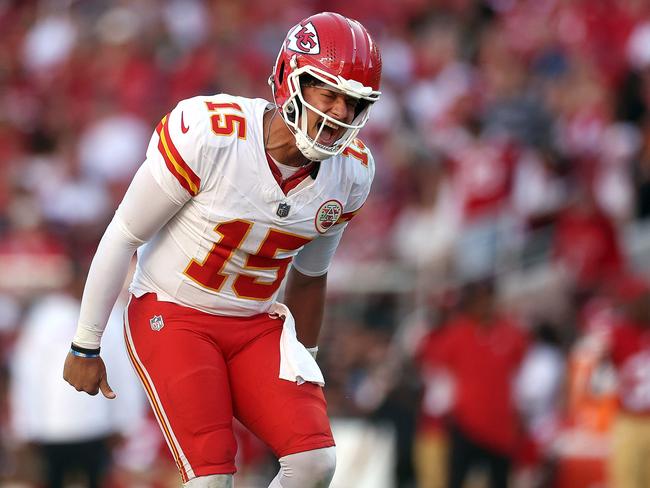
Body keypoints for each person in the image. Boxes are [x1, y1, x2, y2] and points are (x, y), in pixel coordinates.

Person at [62, 11, 381, 488]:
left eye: (352, 102)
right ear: (288, 78)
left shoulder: (351, 172)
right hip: (174, 315)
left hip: (256, 326)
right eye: (328, 93)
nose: (339, 113)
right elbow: (124, 234)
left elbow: (312, 274)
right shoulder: (211, 133)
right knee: (211, 479)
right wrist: (85, 343)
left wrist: (305, 358)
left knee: (316, 463)